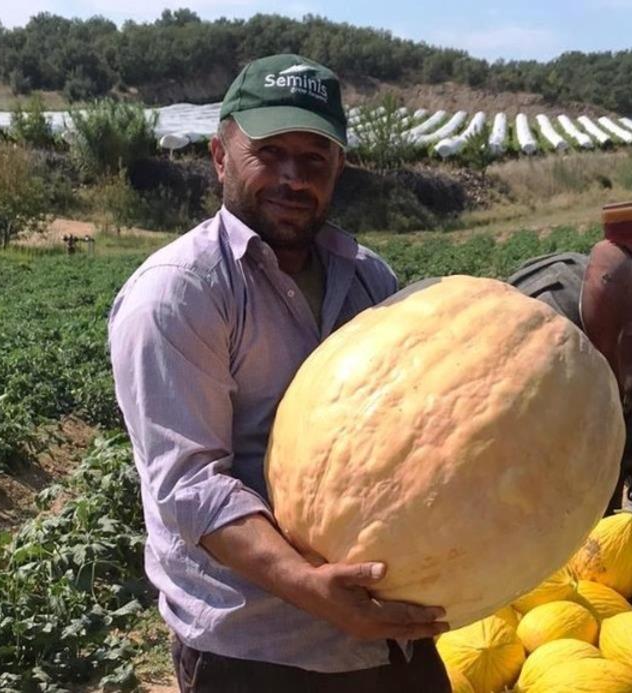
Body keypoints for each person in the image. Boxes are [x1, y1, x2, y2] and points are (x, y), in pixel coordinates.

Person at [107, 54, 452, 692]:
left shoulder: (371, 279)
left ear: (338, 168)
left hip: (388, 630)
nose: (293, 177)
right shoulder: (179, 294)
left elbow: (416, 430)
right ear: (219, 155)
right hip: (259, 645)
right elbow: (189, 485)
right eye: (270, 153)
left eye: (315, 158)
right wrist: (307, 586)